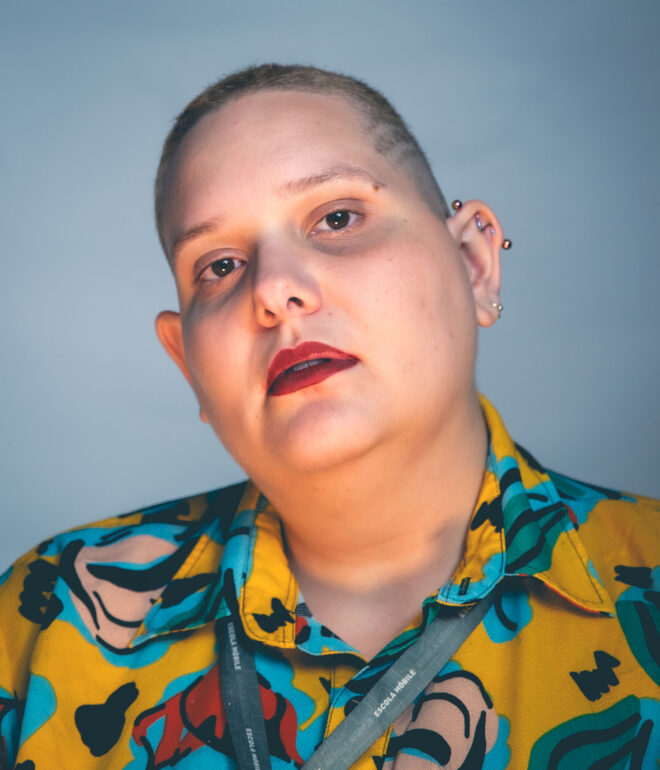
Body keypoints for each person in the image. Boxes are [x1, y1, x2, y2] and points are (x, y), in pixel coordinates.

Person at [0, 63, 658, 769]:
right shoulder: (46, 623)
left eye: (337, 218)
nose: (275, 289)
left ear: (474, 265)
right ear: (187, 364)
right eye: (220, 265)